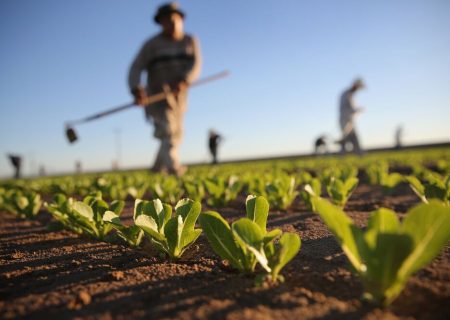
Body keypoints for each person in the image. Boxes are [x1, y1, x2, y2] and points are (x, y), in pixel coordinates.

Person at [128, 3, 201, 176]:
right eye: (167, 20)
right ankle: (174, 169)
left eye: (174, 19)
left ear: (181, 20)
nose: (171, 23)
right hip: (157, 97)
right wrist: (136, 89)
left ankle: (156, 169)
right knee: (168, 131)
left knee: (175, 133)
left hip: (179, 98)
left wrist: (185, 79)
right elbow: (136, 68)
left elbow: (195, 64)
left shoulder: (190, 41)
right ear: (160, 23)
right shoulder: (151, 45)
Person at [338, 78, 365, 155]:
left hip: (350, 121)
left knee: (354, 138)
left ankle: (360, 155)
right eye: (358, 87)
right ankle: (342, 156)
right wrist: (357, 110)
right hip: (345, 120)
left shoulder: (351, 95)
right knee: (346, 139)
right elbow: (346, 108)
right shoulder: (346, 94)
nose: (358, 89)